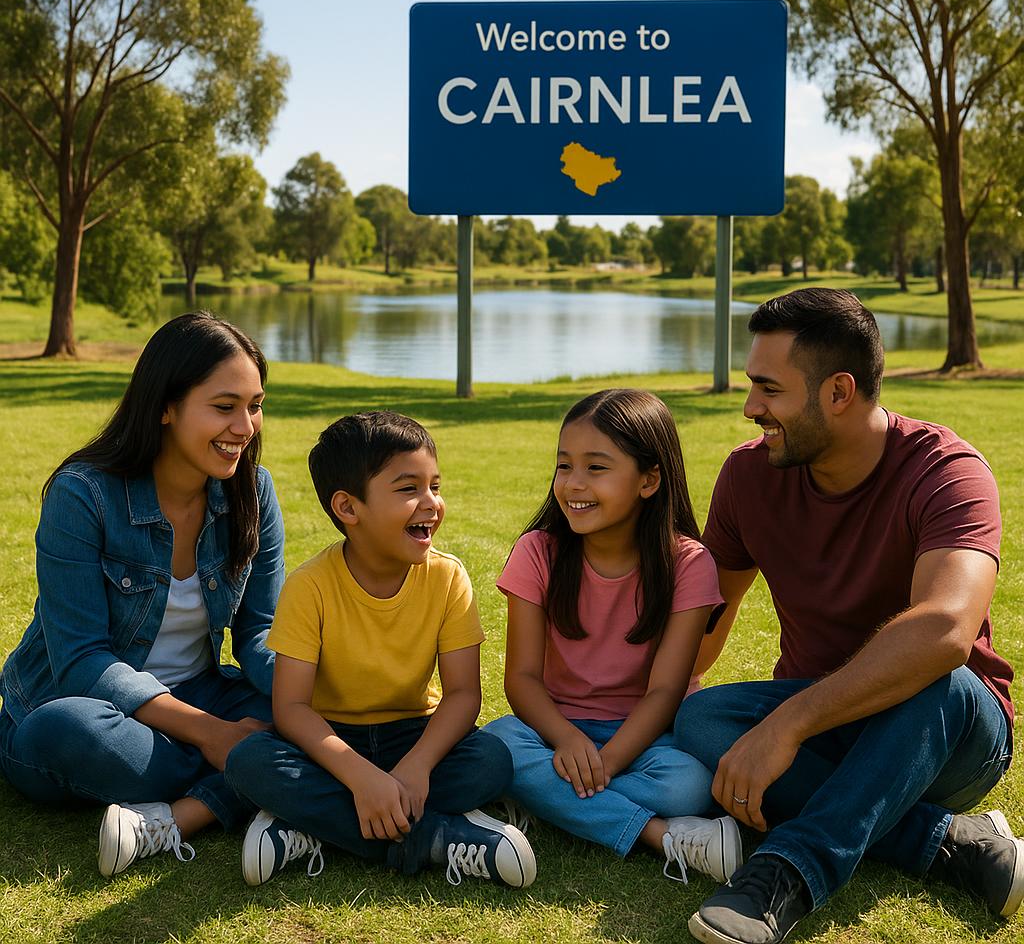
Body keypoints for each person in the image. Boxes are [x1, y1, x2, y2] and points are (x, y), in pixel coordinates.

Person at [677, 288, 1021, 944]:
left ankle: (786, 873)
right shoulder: (749, 476)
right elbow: (706, 619)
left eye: (769, 389)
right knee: (699, 718)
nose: (750, 407)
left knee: (942, 678)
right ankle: (948, 842)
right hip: (826, 725)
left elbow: (946, 630)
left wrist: (788, 725)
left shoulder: (947, 472)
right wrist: (621, 712)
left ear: (838, 392)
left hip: (947, 732)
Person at [0, 312, 285, 877]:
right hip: (86, 707)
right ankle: (259, 774)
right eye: (224, 406)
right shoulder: (82, 495)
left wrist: (311, 695)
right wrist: (216, 735)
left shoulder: (253, 492)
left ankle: (192, 807)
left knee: (304, 711)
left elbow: (259, 633)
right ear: (165, 406)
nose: (245, 427)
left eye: (254, 405)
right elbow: (82, 661)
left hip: (200, 694)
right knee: (62, 729)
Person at [224, 411, 536, 889]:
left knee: (491, 760)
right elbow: (291, 708)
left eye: (435, 486)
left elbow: (462, 695)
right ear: (349, 508)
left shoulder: (448, 577)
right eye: (409, 488)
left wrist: (417, 766)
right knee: (250, 761)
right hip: (333, 741)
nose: (431, 503)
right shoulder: (309, 586)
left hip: (414, 734)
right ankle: (436, 838)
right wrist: (361, 778)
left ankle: (312, 826)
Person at [484, 389, 742, 885]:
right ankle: (657, 834)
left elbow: (666, 690)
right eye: (564, 465)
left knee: (690, 785)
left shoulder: (688, 563)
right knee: (496, 745)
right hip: (552, 730)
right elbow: (520, 679)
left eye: (596, 468)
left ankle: (544, 800)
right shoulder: (537, 551)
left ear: (649, 480)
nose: (573, 483)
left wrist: (608, 761)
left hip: (646, 736)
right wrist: (567, 739)